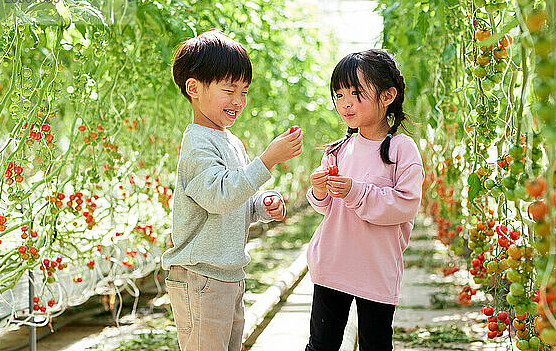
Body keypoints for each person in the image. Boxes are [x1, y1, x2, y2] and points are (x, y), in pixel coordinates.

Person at [161, 30, 303, 351]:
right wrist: (267, 160)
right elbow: (219, 197)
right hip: (200, 278)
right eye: (229, 90)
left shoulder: (232, 141)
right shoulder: (197, 143)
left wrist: (263, 205)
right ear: (194, 89)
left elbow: (237, 199)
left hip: (228, 276)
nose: (238, 101)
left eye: (244, 91)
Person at [305, 49, 424, 351]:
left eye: (356, 93)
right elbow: (325, 208)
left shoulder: (401, 149)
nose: (344, 102)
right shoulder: (338, 150)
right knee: (321, 345)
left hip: (376, 268)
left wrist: (355, 192)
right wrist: (319, 191)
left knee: (375, 344)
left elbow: (405, 204)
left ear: (387, 96)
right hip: (332, 263)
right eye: (339, 94)